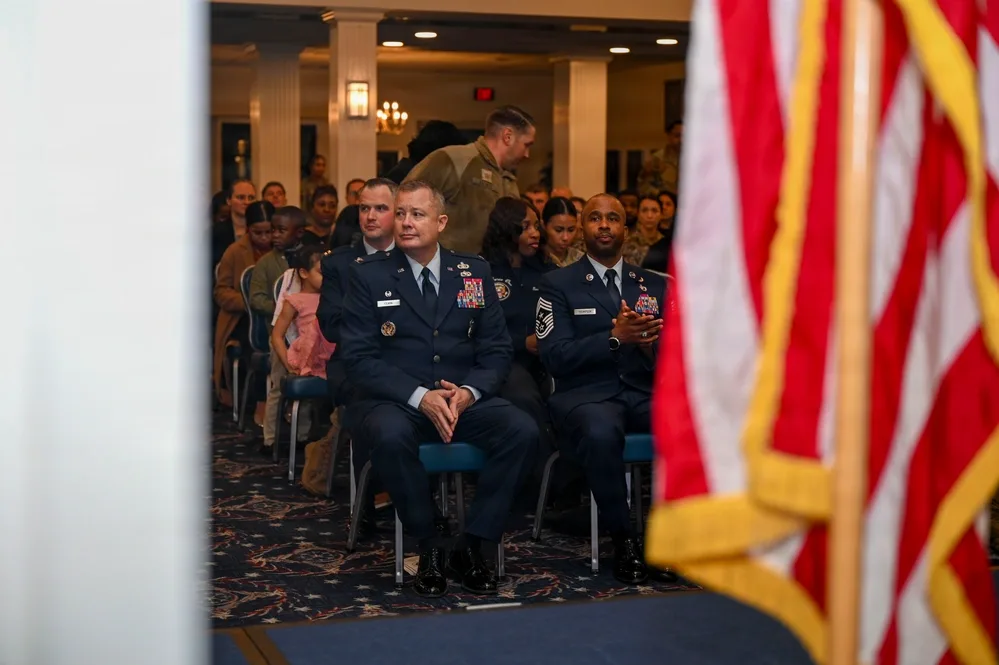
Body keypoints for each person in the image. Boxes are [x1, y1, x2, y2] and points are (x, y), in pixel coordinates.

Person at [339, 180, 537, 597]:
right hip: (395, 401)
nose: (407, 222)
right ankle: (429, 545)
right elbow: (358, 359)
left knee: (521, 429)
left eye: (418, 214)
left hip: (459, 399)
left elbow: (497, 350)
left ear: (441, 222)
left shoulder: (473, 271)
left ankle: (472, 545)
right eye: (403, 213)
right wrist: (419, 397)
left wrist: (468, 392)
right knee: (390, 436)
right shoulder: (367, 277)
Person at [536, 193, 675, 585]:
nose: (603, 225)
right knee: (600, 431)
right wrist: (614, 338)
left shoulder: (651, 284)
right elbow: (555, 356)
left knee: (687, 427)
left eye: (612, 219)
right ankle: (625, 540)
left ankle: (671, 539)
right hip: (585, 395)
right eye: (594, 218)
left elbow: (677, 354)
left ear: (624, 230)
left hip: (640, 392)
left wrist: (650, 346)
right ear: (583, 228)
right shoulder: (557, 284)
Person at [480, 197, 556, 501]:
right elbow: (475, 330)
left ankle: (572, 478)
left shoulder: (547, 272)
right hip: (503, 361)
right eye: (525, 227)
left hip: (547, 358)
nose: (535, 233)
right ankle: (546, 485)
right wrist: (520, 342)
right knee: (524, 397)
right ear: (506, 230)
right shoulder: (482, 271)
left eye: (536, 225)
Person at [403, 106, 536, 254]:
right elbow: (403, 205)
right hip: (446, 271)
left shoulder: (509, 181)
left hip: (491, 271)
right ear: (508, 136)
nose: (527, 154)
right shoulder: (452, 160)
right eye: (527, 145)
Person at [317, 178, 397, 407]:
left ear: (398, 213)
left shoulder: (413, 258)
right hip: (355, 363)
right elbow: (330, 325)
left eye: (380, 208)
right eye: (364, 208)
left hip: (408, 362)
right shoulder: (339, 263)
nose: (370, 216)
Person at [213, 200, 274, 406]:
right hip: (242, 318)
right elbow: (220, 292)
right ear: (248, 229)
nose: (265, 238)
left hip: (276, 314)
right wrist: (249, 302)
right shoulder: (234, 251)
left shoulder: (282, 248)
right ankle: (259, 401)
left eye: (269, 232)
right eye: (258, 233)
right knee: (253, 338)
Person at [271, 245, 335, 379]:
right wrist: (288, 364)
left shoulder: (334, 297)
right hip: (310, 353)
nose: (328, 278)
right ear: (304, 273)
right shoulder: (295, 300)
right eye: (322, 273)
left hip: (332, 352)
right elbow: (277, 336)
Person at [540, 197, 584, 268]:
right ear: (544, 226)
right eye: (558, 230)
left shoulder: (581, 260)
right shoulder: (535, 259)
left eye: (571, 230)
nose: (565, 237)